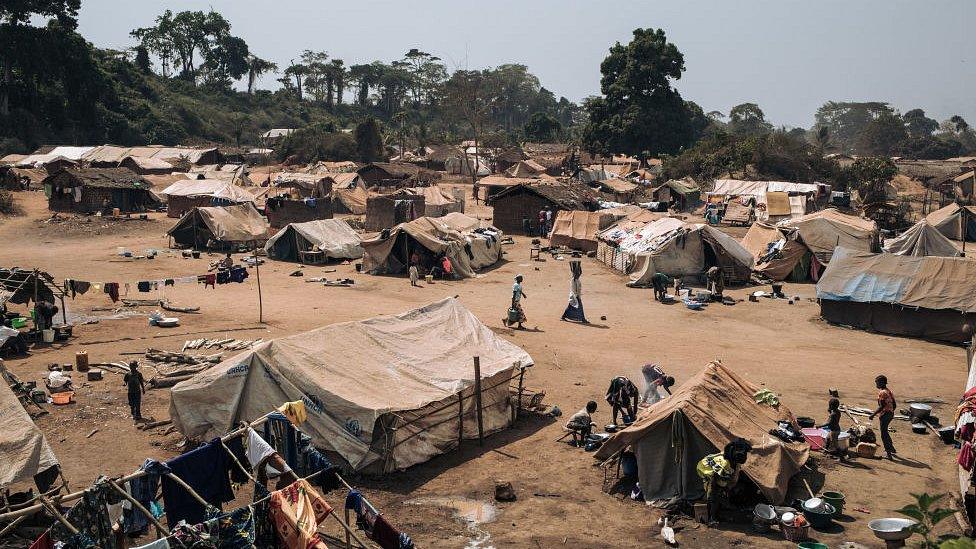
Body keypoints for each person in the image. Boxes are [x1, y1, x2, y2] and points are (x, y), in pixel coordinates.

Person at [697, 439, 752, 523]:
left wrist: (727, 488)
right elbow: (714, 479)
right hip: (706, 469)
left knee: (723, 488)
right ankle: (712, 517)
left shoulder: (734, 458)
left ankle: (717, 510)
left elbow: (734, 478)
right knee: (714, 494)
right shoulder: (725, 463)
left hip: (719, 471)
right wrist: (714, 490)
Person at [869, 374, 897, 459]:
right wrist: (890, 411)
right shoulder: (889, 391)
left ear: (881, 383)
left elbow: (881, 406)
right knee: (885, 432)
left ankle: (888, 453)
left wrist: (873, 415)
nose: (876, 385)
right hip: (890, 414)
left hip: (885, 415)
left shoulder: (882, 393)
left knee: (883, 434)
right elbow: (894, 404)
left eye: (877, 383)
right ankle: (891, 448)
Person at [820, 397, 846, 461]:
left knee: (835, 445)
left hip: (834, 431)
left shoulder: (833, 414)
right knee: (827, 439)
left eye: (829, 405)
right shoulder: (838, 412)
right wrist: (830, 412)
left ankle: (841, 457)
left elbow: (828, 423)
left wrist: (819, 426)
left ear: (831, 406)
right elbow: (834, 420)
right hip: (836, 430)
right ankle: (825, 451)